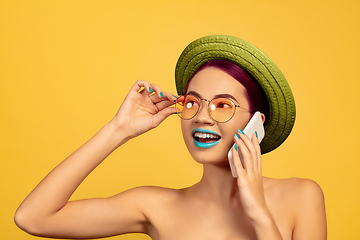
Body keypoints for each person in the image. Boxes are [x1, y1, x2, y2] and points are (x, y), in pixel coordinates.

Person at [14, 35, 327, 240]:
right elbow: (33, 217)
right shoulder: (156, 206)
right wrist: (118, 129)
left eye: (222, 105)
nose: (202, 116)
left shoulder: (300, 197)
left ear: (256, 123)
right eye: (192, 102)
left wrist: (259, 212)